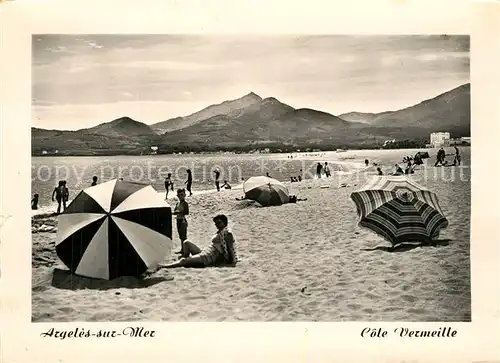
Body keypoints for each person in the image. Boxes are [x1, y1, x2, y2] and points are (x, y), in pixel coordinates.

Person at [162, 214, 238, 268]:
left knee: (184, 261)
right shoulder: (220, 232)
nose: (217, 225)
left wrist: (229, 261)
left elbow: (230, 249)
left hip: (209, 257)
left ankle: (167, 266)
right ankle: (186, 260)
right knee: (186, 242)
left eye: (219, 223)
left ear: (225, 222)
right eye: (216, 223)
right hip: (205, 252)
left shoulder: (227, 233)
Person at [173, 188, 189, 254]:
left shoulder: (185, 203)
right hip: (178, 220)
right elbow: (174, 211)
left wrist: (179, 212)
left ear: (184, 195)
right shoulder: (178, 203)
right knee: (180, 236)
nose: (180, 196)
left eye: (182, 195)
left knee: (183, 236)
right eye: (179, 195)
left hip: (182, 220)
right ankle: (182, 249)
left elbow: (187, 212)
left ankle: (185, 250)